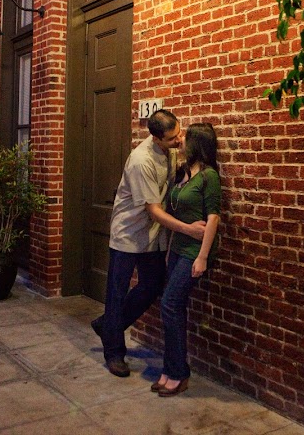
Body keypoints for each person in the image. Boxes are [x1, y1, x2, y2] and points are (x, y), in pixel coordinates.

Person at [91, 109, 206, 378]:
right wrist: (188, 229)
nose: (179, 141)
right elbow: (153, 210)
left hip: (155, 235)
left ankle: (109, 325)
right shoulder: (141, 161)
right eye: (172, 139)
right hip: (129, 233)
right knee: (117, 293)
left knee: (153, 284)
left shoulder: (171, 149)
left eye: (179, 134)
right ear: (155, 138)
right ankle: (114, 352)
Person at [152, 123, 221, 397]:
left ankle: (179, 373)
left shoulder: (209, 176)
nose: (180, 140)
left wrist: (203, 256)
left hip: (195, 251)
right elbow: (176, 215)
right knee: (173, 308)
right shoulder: (183, 172)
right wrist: (170, 248)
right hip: (178, 249)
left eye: (185, 137)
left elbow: (213, 218)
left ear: (197, 144)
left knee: (170, 305)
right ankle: (170, 370)